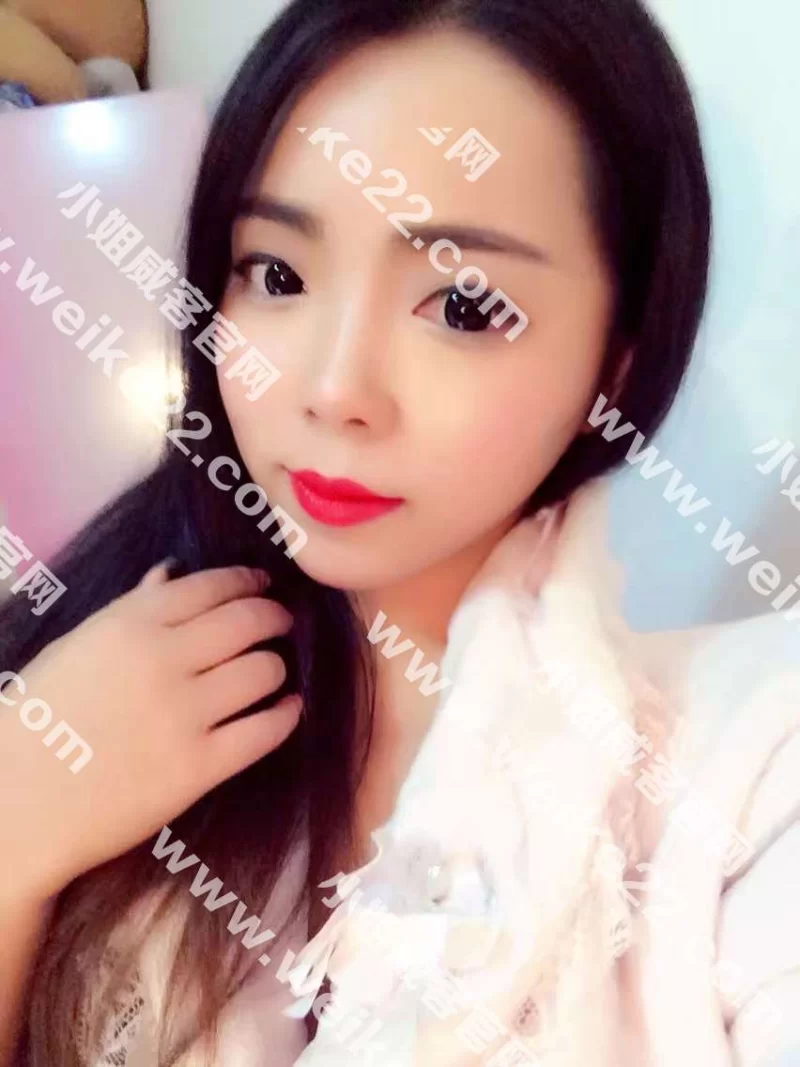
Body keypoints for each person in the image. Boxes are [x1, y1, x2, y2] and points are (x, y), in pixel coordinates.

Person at [1, 0, 797, 1065]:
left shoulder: (743, 762)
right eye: (277, 275)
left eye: (462, 306)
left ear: (614, 364)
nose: (333, 390)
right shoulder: (83, 664)